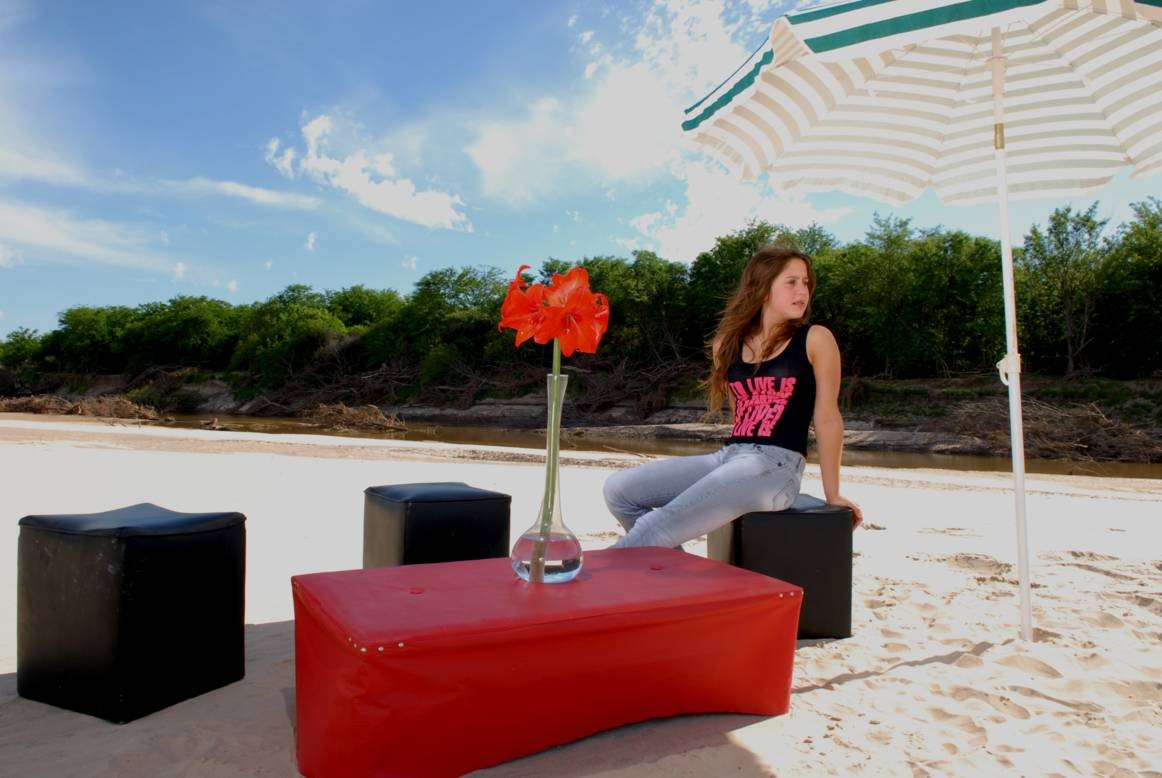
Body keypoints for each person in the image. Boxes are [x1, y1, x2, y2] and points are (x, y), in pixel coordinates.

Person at [605, 245, 863, 549]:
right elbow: (742, 414)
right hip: (730, 457)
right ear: (763, 288)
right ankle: (670, 566)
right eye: (791, 282)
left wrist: (833, 494)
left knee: (659, 524)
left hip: (777, 468)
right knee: (618, 490)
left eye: (806, 282)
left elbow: (828, 418)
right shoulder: (726, 345)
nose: (802, 291)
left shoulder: (815, 338)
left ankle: (594, 575)